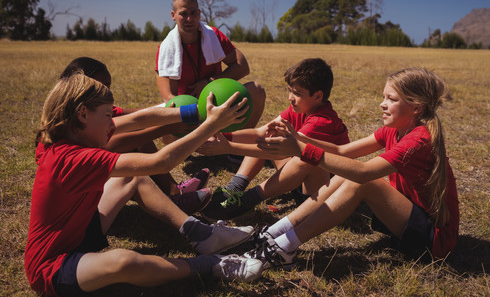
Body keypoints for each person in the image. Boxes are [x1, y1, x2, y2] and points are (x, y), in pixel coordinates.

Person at [25, 74, 263, 297]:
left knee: (131, 177)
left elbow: (139, 119)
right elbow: (160, 162)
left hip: (79, 232)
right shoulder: (71, 158)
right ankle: (208, 265)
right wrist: (210, 125)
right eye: (108, 115)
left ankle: (201, 234)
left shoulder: (71, 133)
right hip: (53, 266)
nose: (112, 123)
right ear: (83, 114)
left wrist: (199, 112)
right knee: (123, 262)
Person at [246, 67, 460, 269]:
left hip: (434, 241)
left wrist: (301, 149)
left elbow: (364, 173)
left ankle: (283, 248)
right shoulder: (395, 130)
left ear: (417, 107)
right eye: (384, 97)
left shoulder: (419, 139)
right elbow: (342, 151)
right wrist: (299, 138)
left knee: (363, 181)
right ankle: (275, 232)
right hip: (408, 222)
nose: (382, 104)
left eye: (391, 99)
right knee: (344, 174)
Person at [197, 58, 349, 221]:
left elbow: (279, 152)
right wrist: (221, 135)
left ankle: (245, 201)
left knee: (307, 158)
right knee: (270, 134)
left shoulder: (322, 121)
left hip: (321, 194)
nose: (290, 97)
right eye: (290, 90)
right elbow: (260, 133)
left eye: (297, 93)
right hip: (298, 180)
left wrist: (229, 147)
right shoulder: (297, 109)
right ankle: (234, 189)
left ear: (318, 96)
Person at [59, 57, 209, 213]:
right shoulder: (68, 126)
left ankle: (175, 191)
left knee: (136, 132)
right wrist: (164, 128)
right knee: (135, 144)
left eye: (109, 86)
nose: (108, 92)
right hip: (83, 200)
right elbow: (112, 143)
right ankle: (175, 195)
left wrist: (176, 112)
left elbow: (138, 117)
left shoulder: (94, 107)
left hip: (94, 180)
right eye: (102, 86)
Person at [155, 0, 265, 130]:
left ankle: (236, 146)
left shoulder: (213, 35)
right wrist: (196, 112)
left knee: (257, 90)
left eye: (194, 13)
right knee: (161, 119)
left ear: (199, 14)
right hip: (188, 111)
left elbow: (242, 66)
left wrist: (209, 83)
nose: (189, 18)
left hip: (218, 102)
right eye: (183, 13)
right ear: (173, 15)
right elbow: (168, 96)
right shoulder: (165, 48)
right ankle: (186, 147)